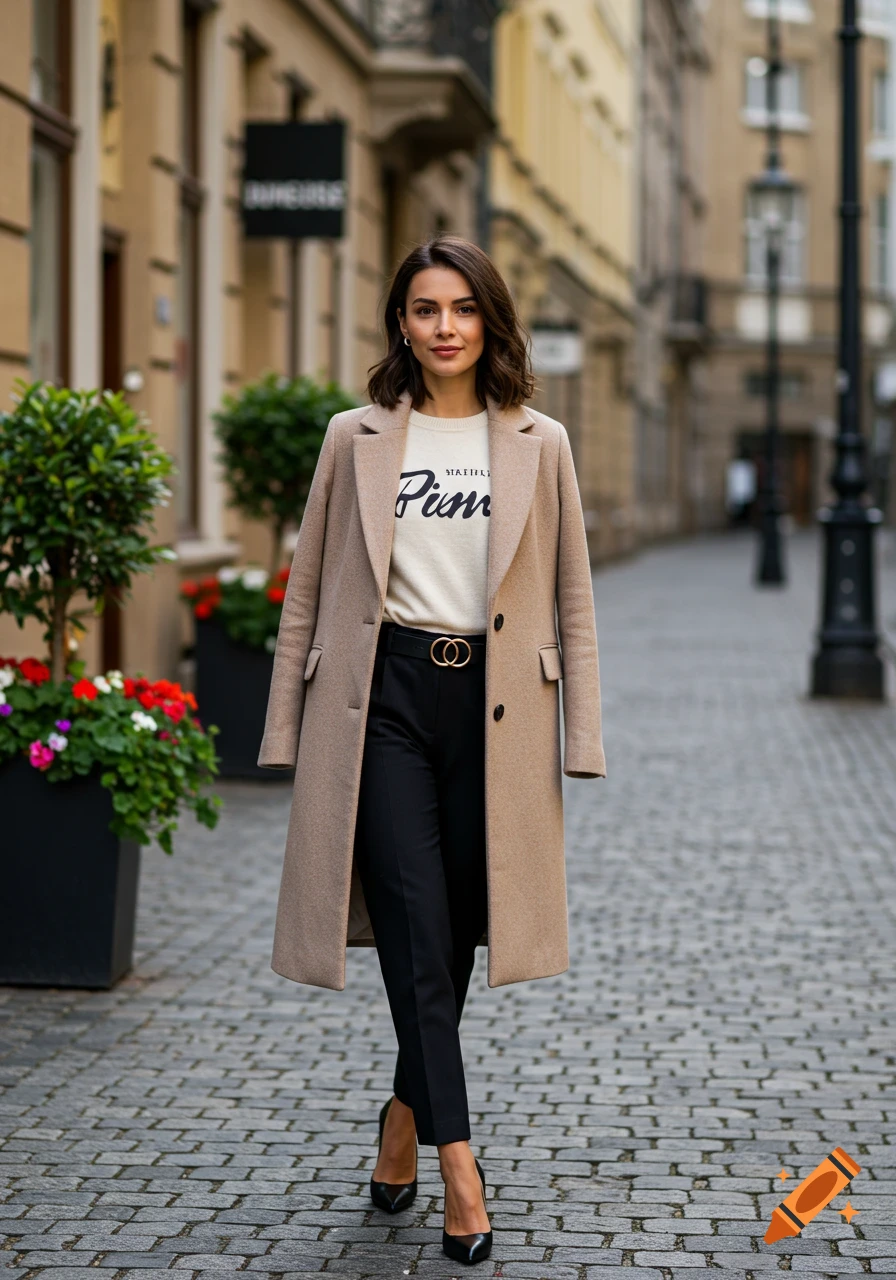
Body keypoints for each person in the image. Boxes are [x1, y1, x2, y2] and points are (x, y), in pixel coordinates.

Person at [258, 234, 606, 1265]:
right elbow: (308, 588)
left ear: (488, 321)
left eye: (460, 308)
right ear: (399, 324)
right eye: (423, 309)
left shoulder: (538, 441)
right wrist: (284, 720)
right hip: (383, 702)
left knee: (448, 936)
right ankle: (461, 1165)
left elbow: (572, 598)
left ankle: (401, 1121)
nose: (443, 327)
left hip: (492, 709)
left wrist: (579, 734)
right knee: (413, 918)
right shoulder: (352, 436)